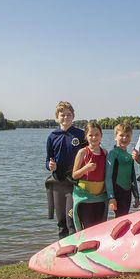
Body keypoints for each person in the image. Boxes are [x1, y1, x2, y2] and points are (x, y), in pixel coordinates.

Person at [45, 101, 85, 239]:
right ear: (57, 117)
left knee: (71, 218)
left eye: (69, 115)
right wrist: (50, 166)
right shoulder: (52, 136)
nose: (65, 118)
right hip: (57, 181)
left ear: (73, 116)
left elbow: (90, 153)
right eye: (62, 115)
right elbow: (47, 160)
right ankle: (63, 248)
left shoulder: (80, 135)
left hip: (73, 182)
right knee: (61, 220)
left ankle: (75, 246)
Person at [71, 121, 108, 230]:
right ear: (86, 137)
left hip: (100, 197)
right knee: (88, 228)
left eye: (97, 135)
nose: (94, 137)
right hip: (85, 197)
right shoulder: (82, 152)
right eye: (90, 135)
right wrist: (85, 168)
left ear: (101, 135)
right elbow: (74, 175)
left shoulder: (105, 153)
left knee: (99, 228)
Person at [106, 123, 140, 217]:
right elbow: (108, 177)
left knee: (125, 216)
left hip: (127, 193)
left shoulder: (129, 156)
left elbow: (132, 177)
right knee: (120, 217)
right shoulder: (113, 154)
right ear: (115, 137)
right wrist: (111, 197)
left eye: (127, 136)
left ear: (130, 138)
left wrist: (136, 196)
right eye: (121, 135)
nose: (124, 138)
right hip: (117, 192)